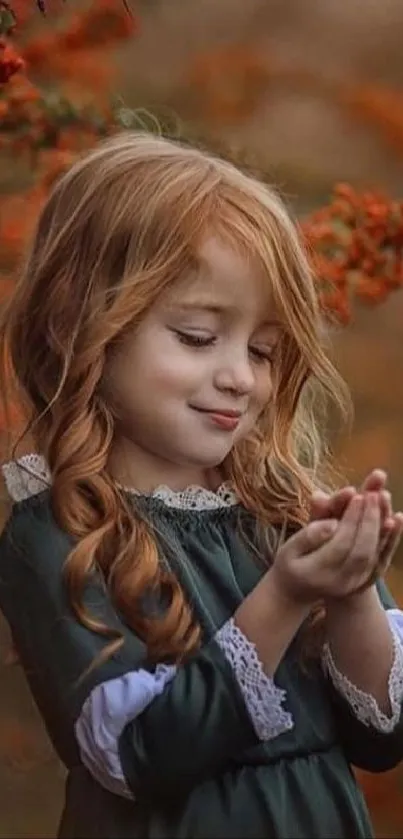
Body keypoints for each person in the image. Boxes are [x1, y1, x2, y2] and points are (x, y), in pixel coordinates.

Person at [0, 132, 402, 839]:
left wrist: (348, 594)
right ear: (81, 327)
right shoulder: (56, 529)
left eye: (262, 350)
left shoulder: (280, 510)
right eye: (194, 335)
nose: (240, 377)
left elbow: (380, 737)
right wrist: (282, 595)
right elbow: (139, 755)